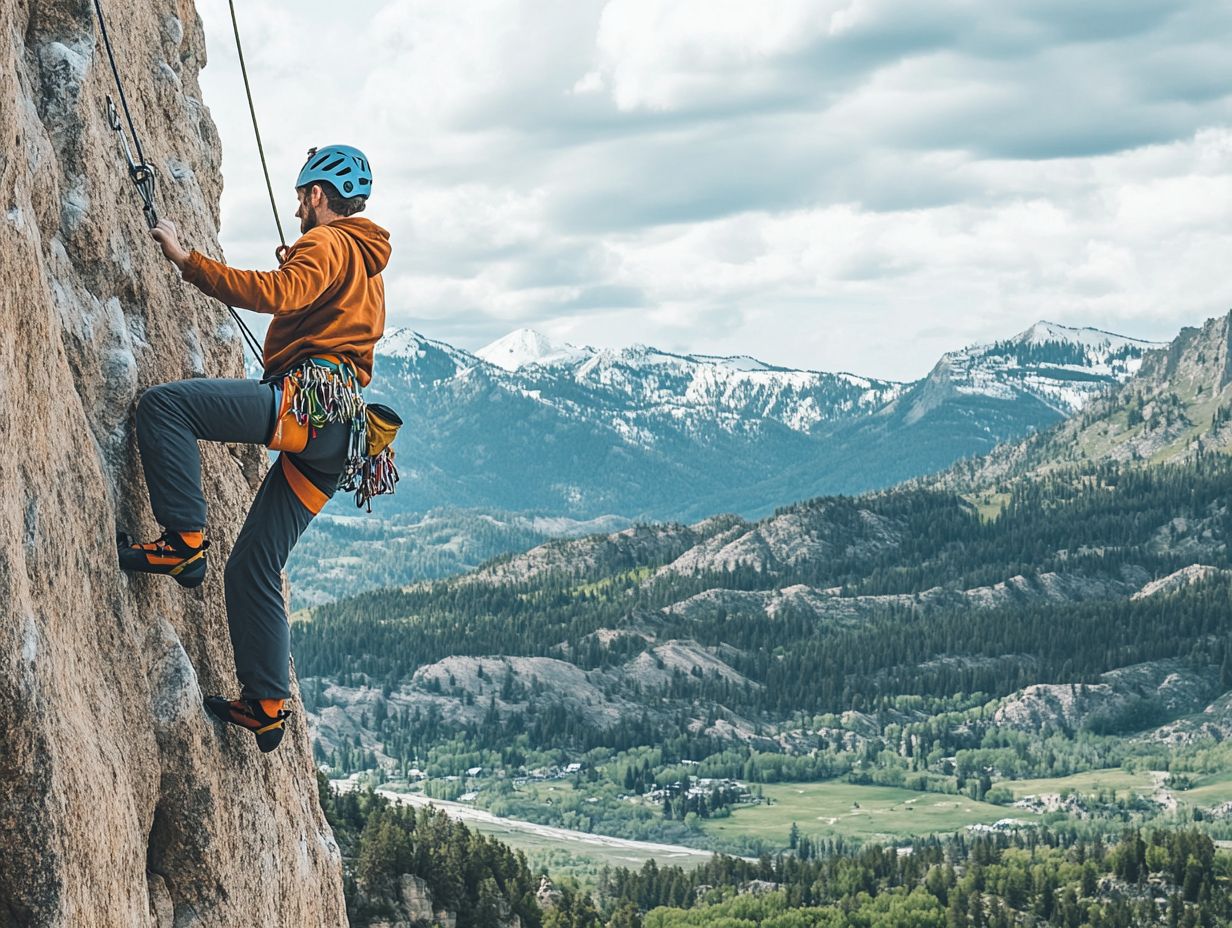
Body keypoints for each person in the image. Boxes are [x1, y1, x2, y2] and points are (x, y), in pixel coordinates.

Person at [120, 144, 390, 753]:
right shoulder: (369, 265)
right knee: (254, 566)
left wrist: (189, 261)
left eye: (302, 196)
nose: (297, 206)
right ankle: (266, 704)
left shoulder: (328, 243)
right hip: (338, 438)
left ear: (318, 195)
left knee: (167, 406)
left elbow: (280, 292)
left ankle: (183, 541)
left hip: (306, 406)